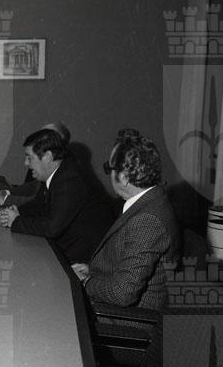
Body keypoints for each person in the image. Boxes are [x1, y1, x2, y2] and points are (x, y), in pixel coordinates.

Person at [72, 133, 179, 311]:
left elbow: (122, 293)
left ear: (123, 177)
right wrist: (92, 270)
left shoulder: (147, 221)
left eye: (109, 168)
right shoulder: (152, 201)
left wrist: (86, 281)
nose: (109, 174)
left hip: (124, 317)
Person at [0, 129, 113, 264]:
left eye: (29, 158)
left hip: (82, 257)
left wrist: (16, 221)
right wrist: (16, 212)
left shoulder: (69, 179)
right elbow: (38, 203)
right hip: (69, 246)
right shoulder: (57, 173)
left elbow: (53, 228)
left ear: (48, 156)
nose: (26, 163)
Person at [0, 122, 71, 207]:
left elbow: (40, 204)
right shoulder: (44, 168)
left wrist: (5, 199)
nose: (26, 163)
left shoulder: (67, 178)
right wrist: (6, 192)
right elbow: (34, 186)